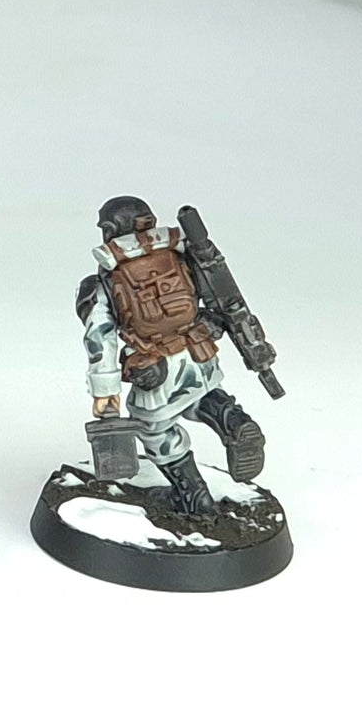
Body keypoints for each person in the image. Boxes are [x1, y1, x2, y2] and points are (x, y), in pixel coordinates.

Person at [76, 196, 266, 517]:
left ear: (109, 230)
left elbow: (100, 339)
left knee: (153, 429)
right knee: (199, 397)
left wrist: (106, 394)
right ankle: (233, 421)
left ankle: (194, 498)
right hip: (199, 352)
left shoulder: (103, 281)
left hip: (156, 367)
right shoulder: (180, 254)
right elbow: (214, 294)